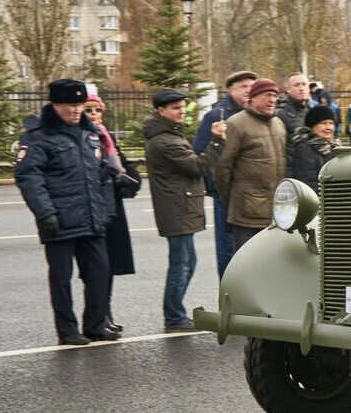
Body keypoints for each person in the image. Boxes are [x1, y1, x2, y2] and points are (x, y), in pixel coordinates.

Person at [15, 79, 119, 345]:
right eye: (70, 105)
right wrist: (45, 213)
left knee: (99, 273)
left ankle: (95, 326)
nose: (76, 110)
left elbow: (103, 175)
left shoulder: (90, 133)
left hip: (92, 217)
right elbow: (29, 177)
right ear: (56, 105)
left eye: (80, 105)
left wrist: (105, 209)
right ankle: (68, 330)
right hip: (59, 219)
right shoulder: (38, 136)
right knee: (61, 279)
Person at [144, 89, 223, 331]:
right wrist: (218, 142)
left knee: (188, 261)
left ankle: (175, 313)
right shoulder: (164, 141)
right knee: (181, 263)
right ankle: (174, 316)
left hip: (179, 207)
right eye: (175, 108)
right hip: (176, 209)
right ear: (161, 111)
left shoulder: (169, 135)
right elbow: (198, 166)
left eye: (182, 107)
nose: (181, 112)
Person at [84, 95, 140, 334]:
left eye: (97, 109)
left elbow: (123, 165)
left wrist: (130, 178)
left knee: (110, 265)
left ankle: (106, 313)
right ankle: (97, 316)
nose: (94, 114)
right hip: (95, 209)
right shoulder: (83, 138)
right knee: (97, 266)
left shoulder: (107, 136)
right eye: (88, 110)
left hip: (114, 208)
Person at [212, 78, 287, 252]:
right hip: (247, 216)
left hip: (275, 213)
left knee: (271, 265)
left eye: (275, 96)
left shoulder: (278, 124)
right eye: (267, 95)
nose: (272, 100)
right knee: (247, 267)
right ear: (253, 97)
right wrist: (234, 201)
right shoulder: (236, 124)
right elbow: (222, 168)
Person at [193, 69, 256, 277]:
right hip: (227, 194)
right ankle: (228, 296)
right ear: (230, 90)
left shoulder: (256, 113)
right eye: (243, 86)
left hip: (254, 193)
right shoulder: (216, 116)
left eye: (251, 86)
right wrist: (216, 187)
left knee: (254, 250)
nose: (248, 90)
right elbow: (200, 151)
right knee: (228, 250)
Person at [289, 105, 338, 192]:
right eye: (323, 123)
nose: (328, 128)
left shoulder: (336, 148)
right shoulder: (304, 149)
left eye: (331, 123)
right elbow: (308, 184)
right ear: (312, 126)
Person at [275, 72, 311, 142]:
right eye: (296, 85)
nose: (301, 88)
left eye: (304, 84)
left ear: (308, 88)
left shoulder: (313, 111)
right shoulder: (281, 113)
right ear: (288, 89)